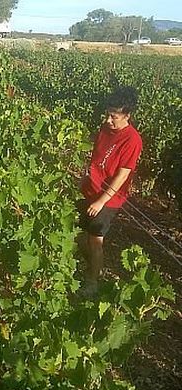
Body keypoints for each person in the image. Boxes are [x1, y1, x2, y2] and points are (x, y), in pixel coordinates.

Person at [79, 86, 143, 296]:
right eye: (108, 114)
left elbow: (122, 175)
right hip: (91, 188)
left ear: (127, 115)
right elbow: (97, 156)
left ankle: (92, 282)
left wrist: (101, 202)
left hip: (109, 198)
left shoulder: (132, 140)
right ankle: (86, 267)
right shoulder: (106, 128)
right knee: (84, 235)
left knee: (96, 239)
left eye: (114, 116)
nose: (108, 120)